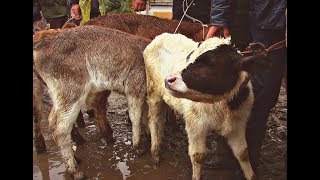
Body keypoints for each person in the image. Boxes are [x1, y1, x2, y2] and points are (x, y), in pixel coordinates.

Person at [132, 0, 287, 178]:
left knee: (260, 98)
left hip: (272, 24)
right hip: (261, 19)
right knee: (253, 95)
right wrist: (220, 17)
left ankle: (243, 160)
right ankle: (160, 148)